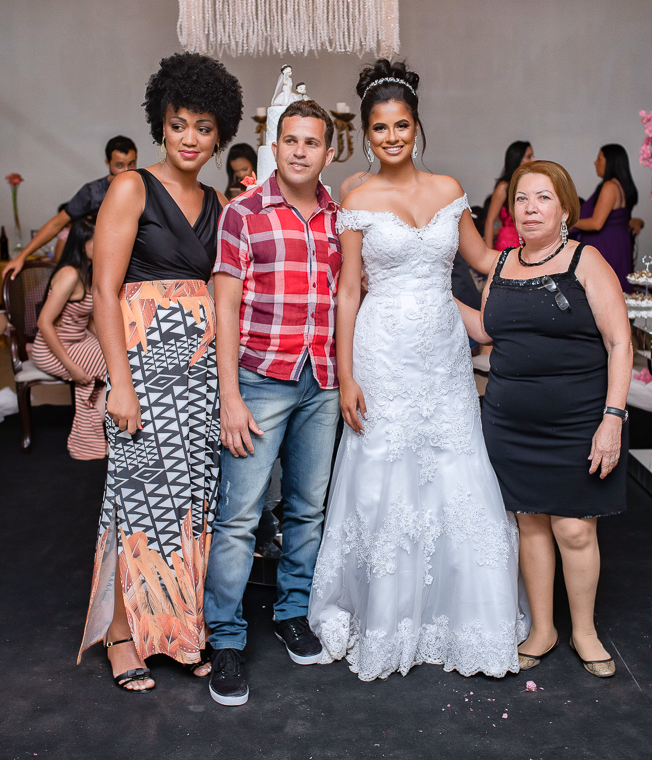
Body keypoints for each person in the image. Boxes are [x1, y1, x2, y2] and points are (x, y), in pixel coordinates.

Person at [308, 58, 525, 683]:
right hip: (382, 351)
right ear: (366, 134)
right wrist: (347, 376)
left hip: (442, 354)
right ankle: (386, 618)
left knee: (456, 467)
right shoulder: (357, 198)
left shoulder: (449, 190)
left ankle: (463, 617)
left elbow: (483, 258)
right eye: (379, 128)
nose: (391, 137)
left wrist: (547, 255)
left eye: (401, 125)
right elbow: (348, 291)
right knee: (384, 472)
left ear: (417, 126)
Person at [77, 53, 242, 694]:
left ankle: (175, 631)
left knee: (191, 502)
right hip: (143, 370)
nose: (190, 138)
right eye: (179, 125)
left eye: (204, 127)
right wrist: (119, 383)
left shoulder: (218, 201)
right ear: (160, 126)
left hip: (199, 374)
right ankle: (122, 635)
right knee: (137, 501)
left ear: (220, 134)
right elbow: (104, 289)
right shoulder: (131, 188)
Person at [457, 160, 631, 679]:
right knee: (530, 525)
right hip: (510, 422)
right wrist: (428, 297)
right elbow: (487, 330)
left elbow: (620, 342)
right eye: (521, 199)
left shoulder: (586, 260)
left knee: (574, 529)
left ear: (564, 209)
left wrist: (613, 418)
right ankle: (542, 629)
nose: (530, 209)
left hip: (579, 421)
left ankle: (585, 631)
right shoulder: (502, 264)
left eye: (543, 198)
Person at [205, 99, 341, 707]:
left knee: (308, 509)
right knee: (239, 516)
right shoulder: (243, 213)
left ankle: (292, 614)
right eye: (290, 140)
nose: (299, 151)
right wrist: (230, 395)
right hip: (260, 380)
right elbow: (225, 308)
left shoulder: (340, 217)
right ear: (275, 146)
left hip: (323, 381)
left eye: (311, 142)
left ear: (328, 152)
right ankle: (226, 639)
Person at [1, 136, 139, 280]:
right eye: (119, 165)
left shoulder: (143, 188)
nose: (126, 171)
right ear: (107, 163)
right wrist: (22, 256)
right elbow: (56, 224)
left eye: (131, 164)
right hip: (102, 270)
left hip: (137, 265)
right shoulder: (92, 192)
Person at [30, 217, 107, 460]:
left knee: (121, 356)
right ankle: (85, 440)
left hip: (78, 340)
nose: (103, 245)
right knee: (111, 368)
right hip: (52, 348)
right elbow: (44, 322)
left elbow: (89, 320)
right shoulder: (69, 275)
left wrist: (109, 342)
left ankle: (93, 430)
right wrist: (72, 367)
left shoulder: (89, 272)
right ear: (82, 245)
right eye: (97, 241)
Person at [572, 143, 639, 292]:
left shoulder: (610, 186)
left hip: (606, 248)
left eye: (599, 159)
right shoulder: (620, 186)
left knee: (605, 291)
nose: (595, 163)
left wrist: (569, 222)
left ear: (610, 162)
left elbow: (597, 223)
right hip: (618, 245)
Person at [482, 140, 535, 251]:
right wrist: (488, 254)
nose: (533, 160)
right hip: (506, 245)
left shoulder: (530, 184)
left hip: (527, 243)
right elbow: (490, 221)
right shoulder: (504, 187)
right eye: (529, 156)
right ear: (517, 159)